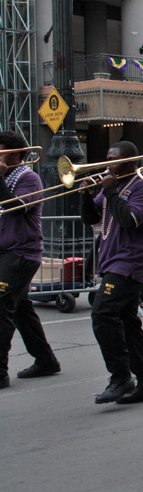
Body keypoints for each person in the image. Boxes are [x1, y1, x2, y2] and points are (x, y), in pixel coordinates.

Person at [80, 141, 143, 404]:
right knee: (127, 321)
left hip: (130, 262)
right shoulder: (113, 186)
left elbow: (129, 220)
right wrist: (86, 195)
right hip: (111, 260)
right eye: (107, 157)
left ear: (130, 161)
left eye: (113, 159)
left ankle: (120, 376)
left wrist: (110, 191)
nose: (108, 163)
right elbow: (90, 218)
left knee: (102, 312)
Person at [0, 132, 61, 390]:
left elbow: (15, 208)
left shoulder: (28, 178)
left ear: (14, 153)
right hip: (6, 251)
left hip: (21, 252)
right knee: (21, 311)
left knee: (1, 307)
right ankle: (46, 360)